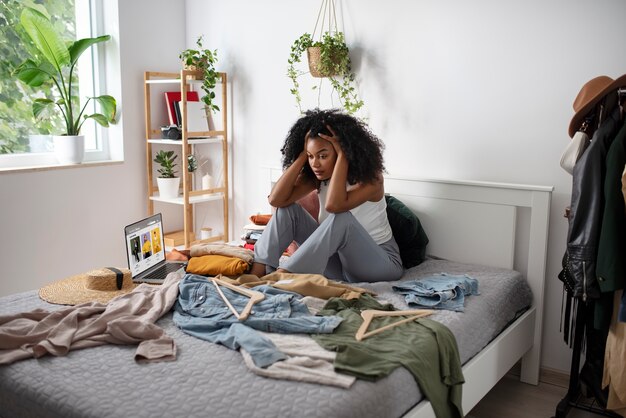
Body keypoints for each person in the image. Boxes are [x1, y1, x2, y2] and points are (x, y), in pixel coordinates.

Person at [250, 108, 404, 283]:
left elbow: (334, 206)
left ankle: (285, 274)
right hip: (339, 265)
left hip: (379, 265)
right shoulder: (319, 176)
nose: (315, 164)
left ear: (341, 152)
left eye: (322, 156)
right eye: (311, 156)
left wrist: (343, 155)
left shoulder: (371, 179)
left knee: (342, 219)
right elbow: (276, 200)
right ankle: (258, 271)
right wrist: (301, 155)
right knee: (289, 210)